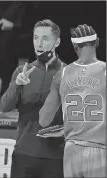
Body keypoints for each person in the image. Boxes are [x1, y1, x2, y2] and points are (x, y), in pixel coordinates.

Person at [0, 19, 66, 178]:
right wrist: (16, 85)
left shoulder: (67, 73)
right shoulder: (23, 71)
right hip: (24, 154)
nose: (39, 43)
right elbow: (4, 107)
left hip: (56, 157)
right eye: (36, 38)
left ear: (56, 42)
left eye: (45, 38)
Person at [39, 24, 106, 178]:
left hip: (71, 151)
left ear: (75, 46)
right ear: (97, 42)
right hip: (100, 150)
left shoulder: (61, 74)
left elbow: (43, 120)